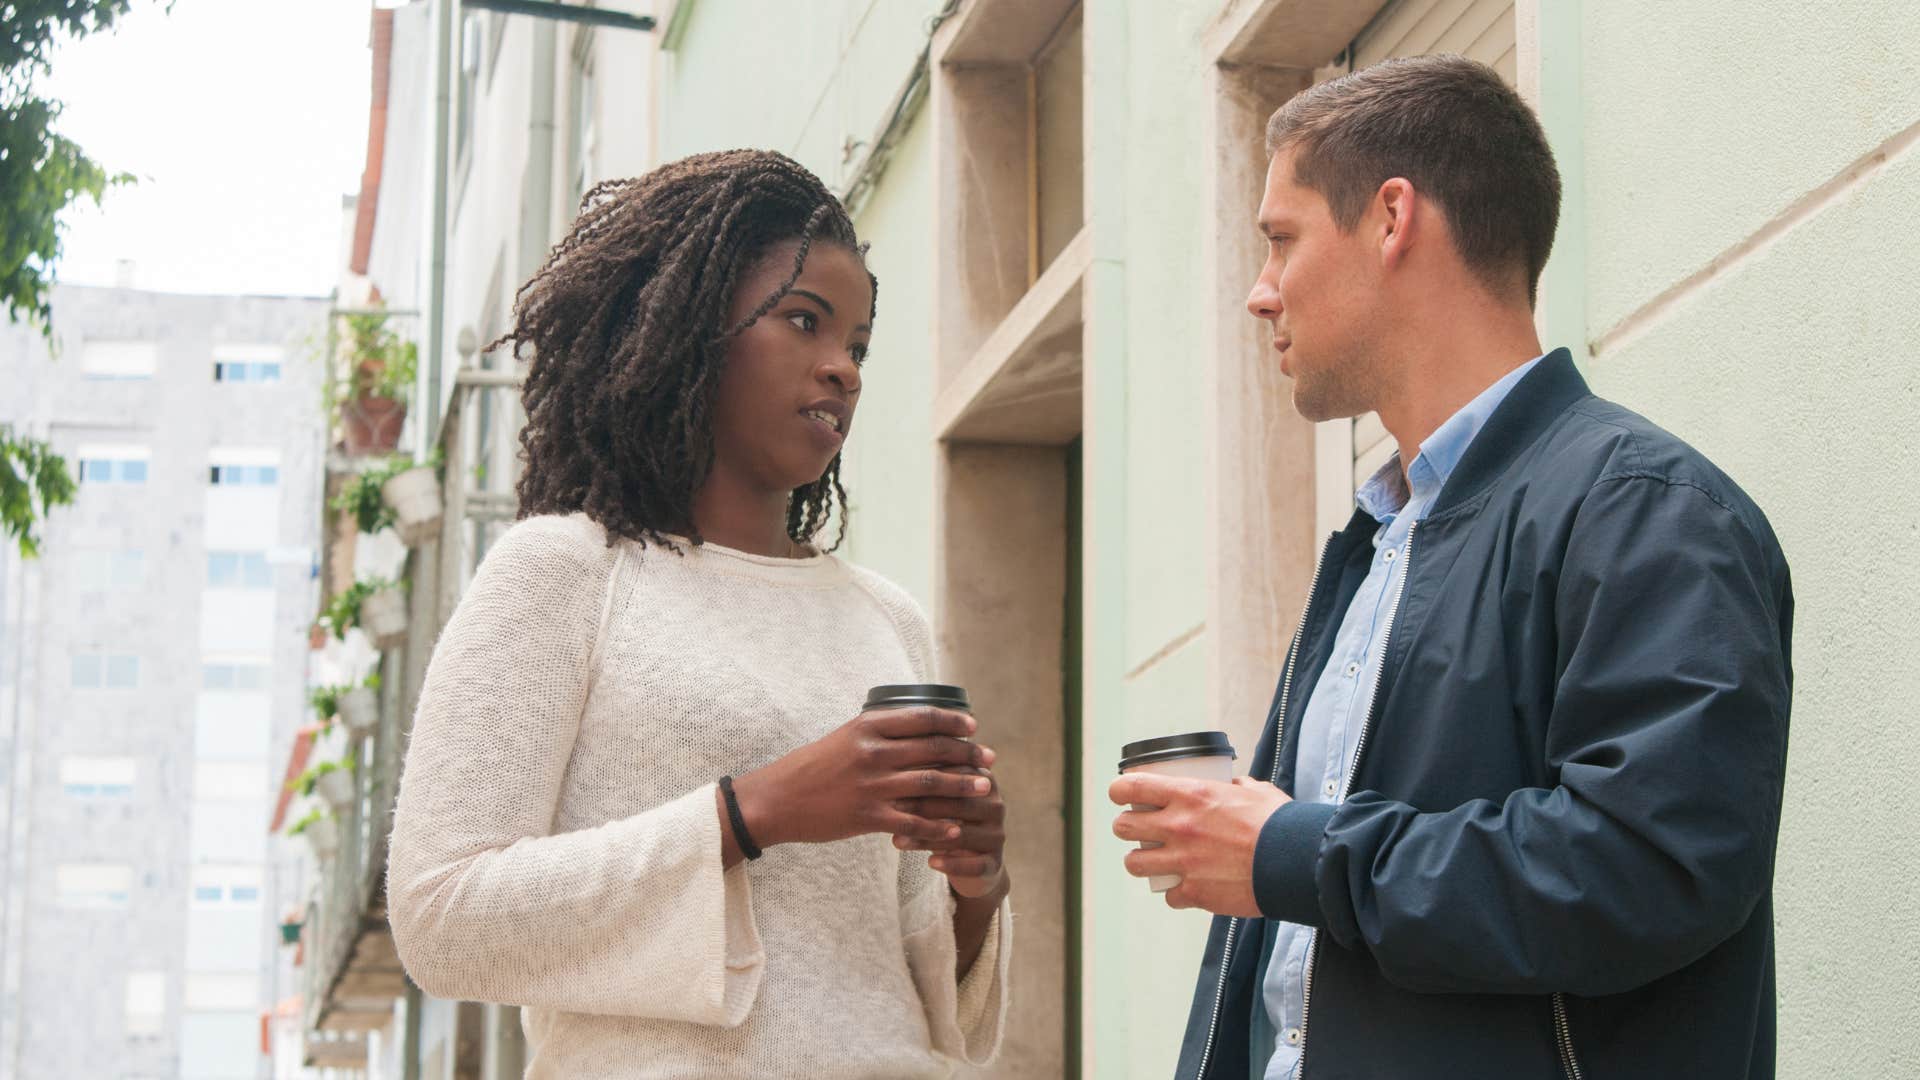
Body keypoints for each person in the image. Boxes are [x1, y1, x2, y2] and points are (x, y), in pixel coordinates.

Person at [1109, 55, 1792, 1079]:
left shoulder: (1647, 509)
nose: (1259, 294)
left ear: (1392, 219)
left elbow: (1651, 867)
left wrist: (1294, 851)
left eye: (1281, 241)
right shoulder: (1380, 540)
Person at [388, 149, 1011, 1079]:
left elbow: (915, 992)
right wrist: (751, 813)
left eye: (859, 344)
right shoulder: (567, 575)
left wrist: (975, 886)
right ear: (689, 329)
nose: (842, 369)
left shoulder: (888, 619)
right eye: (805, 322)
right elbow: (442, 915)